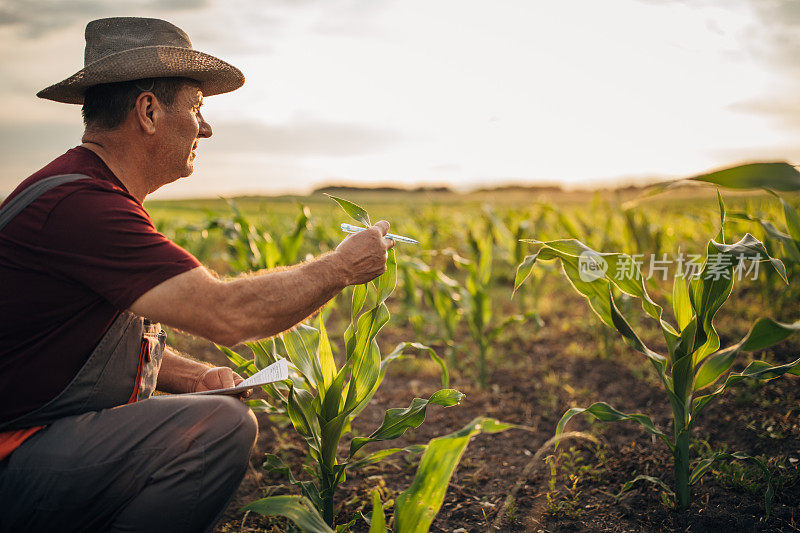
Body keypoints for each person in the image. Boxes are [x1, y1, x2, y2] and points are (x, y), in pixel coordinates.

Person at [0, 17, 393, 533]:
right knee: (219, 428)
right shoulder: (83, 207)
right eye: (196, 108)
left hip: (34, 440)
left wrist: (197, 378)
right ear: (148, 111)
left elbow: (86, 344)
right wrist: (341, 267)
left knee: (205, 408)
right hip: (13, 455)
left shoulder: (81, 191)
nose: (204, 128)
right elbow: (227, 314)